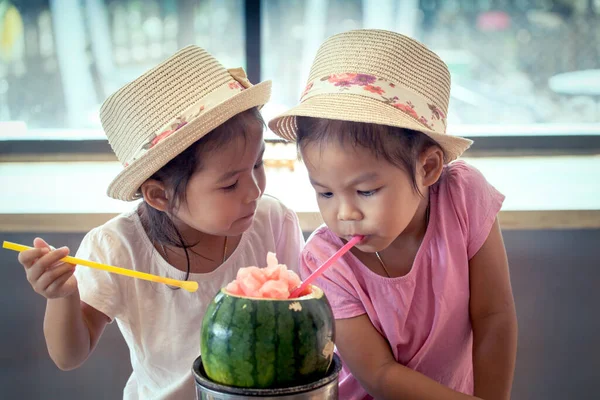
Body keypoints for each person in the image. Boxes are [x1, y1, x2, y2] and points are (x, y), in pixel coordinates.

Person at [16, 45, 304, 399]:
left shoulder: (272, 221)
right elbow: (69, 356)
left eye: (259, 165)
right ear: (160, 196)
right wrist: (61, 296)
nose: (254, 191)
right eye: (230, 183)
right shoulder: (118, 248)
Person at [269, 29, 517, 400]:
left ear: (428, 168)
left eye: (366, 191)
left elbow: (493, 316)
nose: (345, 213)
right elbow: (380, 375)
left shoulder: (464, 196)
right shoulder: (324, 259)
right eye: (324, 192)